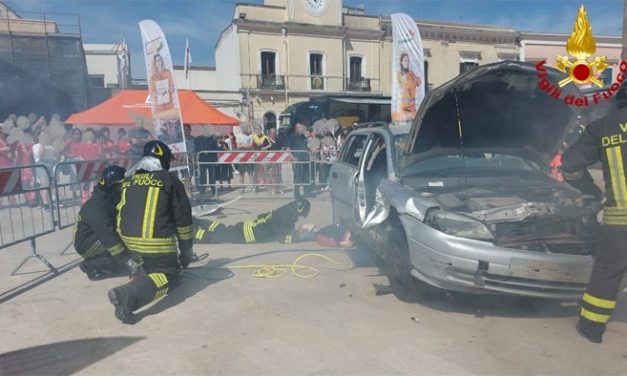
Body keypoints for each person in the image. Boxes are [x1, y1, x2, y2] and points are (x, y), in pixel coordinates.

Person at [561, 86, 627, 344]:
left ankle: (591, 329)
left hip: (620, 221)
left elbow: (570, 166)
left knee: (608, 273)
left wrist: (588, 189)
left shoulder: (602, 127)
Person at [108, 140, 194, 324]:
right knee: (170, 274)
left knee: (152, 269)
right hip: (155, 244)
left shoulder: (128, 180)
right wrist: (186, 251)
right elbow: (183, 219)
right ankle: (126, 296)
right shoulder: (169, 180)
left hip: (128, 245)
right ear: (162, 158)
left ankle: (143, 271)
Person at [74, 166, 141, 281]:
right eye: (120, 186)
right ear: (112, 187)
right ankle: (91, 265)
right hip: (87, 244)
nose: (123, 188)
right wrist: (127, 260)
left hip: (97, 236)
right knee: (116, 258)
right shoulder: (96, 206)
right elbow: (108, 236)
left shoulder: (108, 199)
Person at [396, 52, 422, 122]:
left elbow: (419, 82)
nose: (407, 62)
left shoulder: (411, 73)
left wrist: (415, 79)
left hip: (412, 108)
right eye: (405, 60)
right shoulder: (400, 74)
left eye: (408, 60)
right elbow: (409, 85)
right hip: (405, 109)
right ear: (401, 62)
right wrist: (414, 80)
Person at [290, 123, 313, 198]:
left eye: (302, 128)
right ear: (296, 128)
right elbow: (288, 148)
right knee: (297, 178)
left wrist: (309, 149)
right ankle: (296, 195)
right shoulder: (293, 136)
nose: (301, 129)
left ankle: (306, 193)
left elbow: (306, 146)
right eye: (299, 128)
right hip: (297, 159)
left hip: (305, 159)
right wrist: (292, 157)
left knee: (306, 177)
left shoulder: (303, 136)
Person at [194, 126, 218, 196]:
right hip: (202, 159)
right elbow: (196, 148)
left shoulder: (212, 139)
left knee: (212, 175)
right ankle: (202, 188)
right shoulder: (198, 139)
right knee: (202, 175)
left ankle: (213, 188)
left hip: (210, 159)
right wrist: (202, 151)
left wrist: (216, 159)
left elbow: (215, 149)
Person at [236, 127, 254, 191]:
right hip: (241, 156)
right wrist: (246, 146)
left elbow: (251, 146)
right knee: (241, 172)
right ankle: (242, 187)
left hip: (249, 156)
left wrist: (242, 145)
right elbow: (238, 147)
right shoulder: (238, 136)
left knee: (251, 172)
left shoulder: (250, 136)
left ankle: (252, 186)